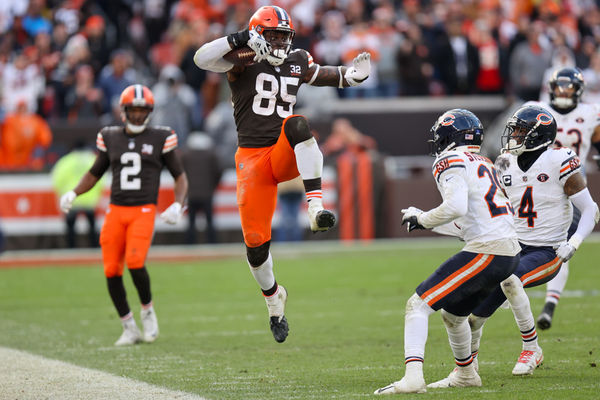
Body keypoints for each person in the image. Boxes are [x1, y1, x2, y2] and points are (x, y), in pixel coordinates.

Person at [193, 5, 371, 343]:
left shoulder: (297, 59)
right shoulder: (243, 58)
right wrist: (240, 38)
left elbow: (325, 75)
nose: (278, 42)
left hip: (280, 151)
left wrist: (353, 76)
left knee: (298, 124)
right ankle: (274, 299)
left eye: (283, 36)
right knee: (256, 247)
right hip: (251, 160)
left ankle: (315, 208)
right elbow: (201, 58)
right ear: (258, 32)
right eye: (272, 34)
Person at [374, 109, 522, 394]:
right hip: (507, 252)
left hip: (488, 251)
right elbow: (465, 224)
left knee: (417, 305)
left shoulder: (450, 159)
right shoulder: (485, 162)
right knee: (454, 315)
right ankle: (466, 374)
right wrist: (423, 220)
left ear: (450, 136)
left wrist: (424, 218)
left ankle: (413, 378)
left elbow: (455, 208)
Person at [463, 104, 599, 379]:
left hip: (547, 252)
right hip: (512, 247)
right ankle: (467, 369)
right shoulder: (504, 161)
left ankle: (531, 348)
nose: (513, 136)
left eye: (520, 130)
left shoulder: (559, 159)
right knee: (474, 314)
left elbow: (591, 210)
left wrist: (573, 243)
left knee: (510, 279)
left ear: (538, 135)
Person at [59, 84, 188, 346]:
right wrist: (73, 192)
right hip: (116, 210)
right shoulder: (109, 136)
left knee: (136, 261)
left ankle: (147, 310)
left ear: (149, 111)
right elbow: (95, 172)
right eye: (133, 110)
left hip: (143, 209)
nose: (138, 115)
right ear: (124, 111)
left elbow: (179, 176)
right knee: (110, 269)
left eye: (142, 110)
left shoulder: (161, 136)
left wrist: (178, 204)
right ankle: (128, 326)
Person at [524, 67, 600, 330]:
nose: (564, 92)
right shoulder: (536, 109)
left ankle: (549, 305)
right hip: (537, 188)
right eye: (560, 86)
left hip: (571, 187)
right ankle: (509, 288)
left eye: (569, 87)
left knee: (560, 246)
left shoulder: (590, 114)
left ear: (578, 90)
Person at [51, 140, 105, 248]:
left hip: (72, 199)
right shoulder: (93, 159)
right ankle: (94, 248)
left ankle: (71, 248)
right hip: (90, 199)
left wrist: (63, 195)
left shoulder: (66, 161)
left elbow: (57, 179)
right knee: (92, 226)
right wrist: (97, 195)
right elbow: (101, 179)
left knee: (71, 227)